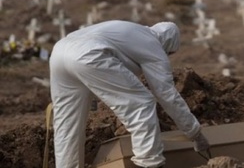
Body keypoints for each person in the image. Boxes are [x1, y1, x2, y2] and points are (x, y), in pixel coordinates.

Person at [49, 20, 209, 168]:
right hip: (89, 55)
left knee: (67, 123)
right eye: (170, 52)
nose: (167, 56)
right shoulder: (154, 45)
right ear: (168, 43)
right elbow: (167, 95)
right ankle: (150, 163)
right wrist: (195, 133)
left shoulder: (135, 31)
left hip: (59, 52)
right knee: (141, 104)